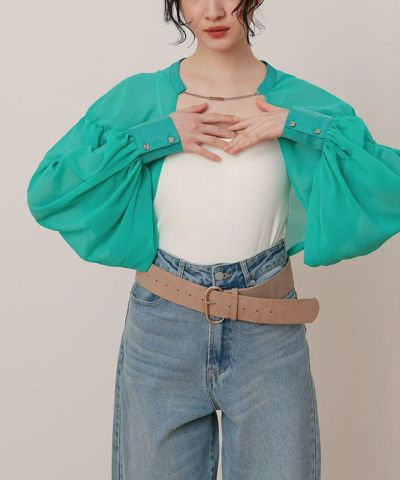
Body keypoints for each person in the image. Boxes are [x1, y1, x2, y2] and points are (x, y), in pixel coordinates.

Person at [26, 1, 400, 479]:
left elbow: (388, 186)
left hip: (268, 330)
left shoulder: (302, 103)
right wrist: (156, 135)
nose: (215, 10)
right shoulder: (138, 99)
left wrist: (295, 125)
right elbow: (48, 191)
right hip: (162, 331)